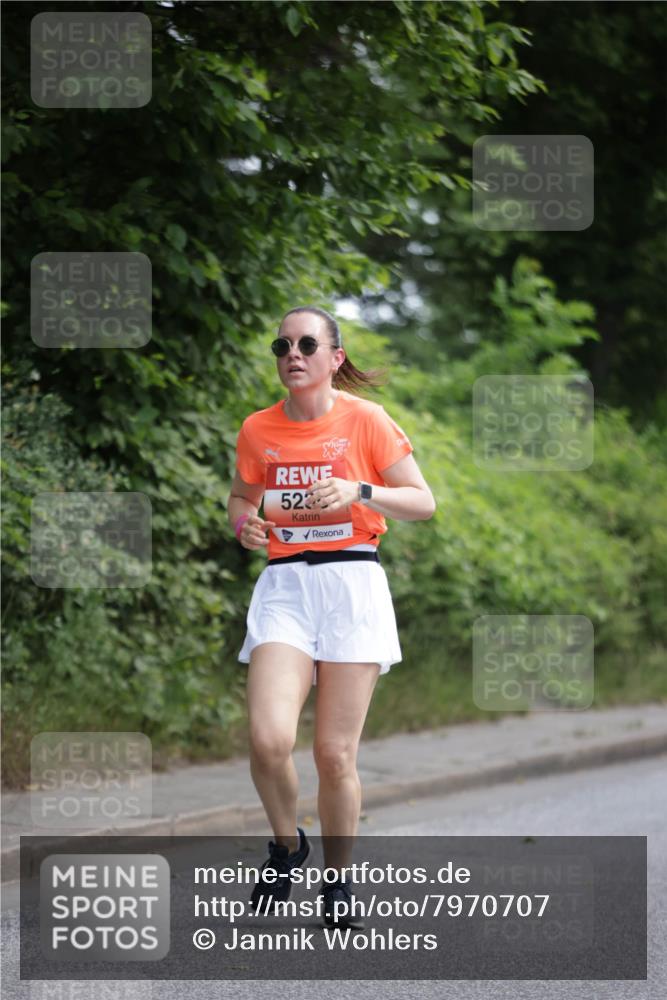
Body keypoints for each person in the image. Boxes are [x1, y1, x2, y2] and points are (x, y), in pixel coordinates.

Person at [228, 305, 435, 927]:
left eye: (307, 344)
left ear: (334, 357)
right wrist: (245, 525)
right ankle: (287, 846)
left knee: (334, 755)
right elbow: (241, 498)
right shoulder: (258, 428)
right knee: (268, 740)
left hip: (352, 585)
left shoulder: (366, 420)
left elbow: (422, 502)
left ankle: (338, 882)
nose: (293, 354)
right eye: (282, 345)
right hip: (286, 587)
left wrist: (359, 490)